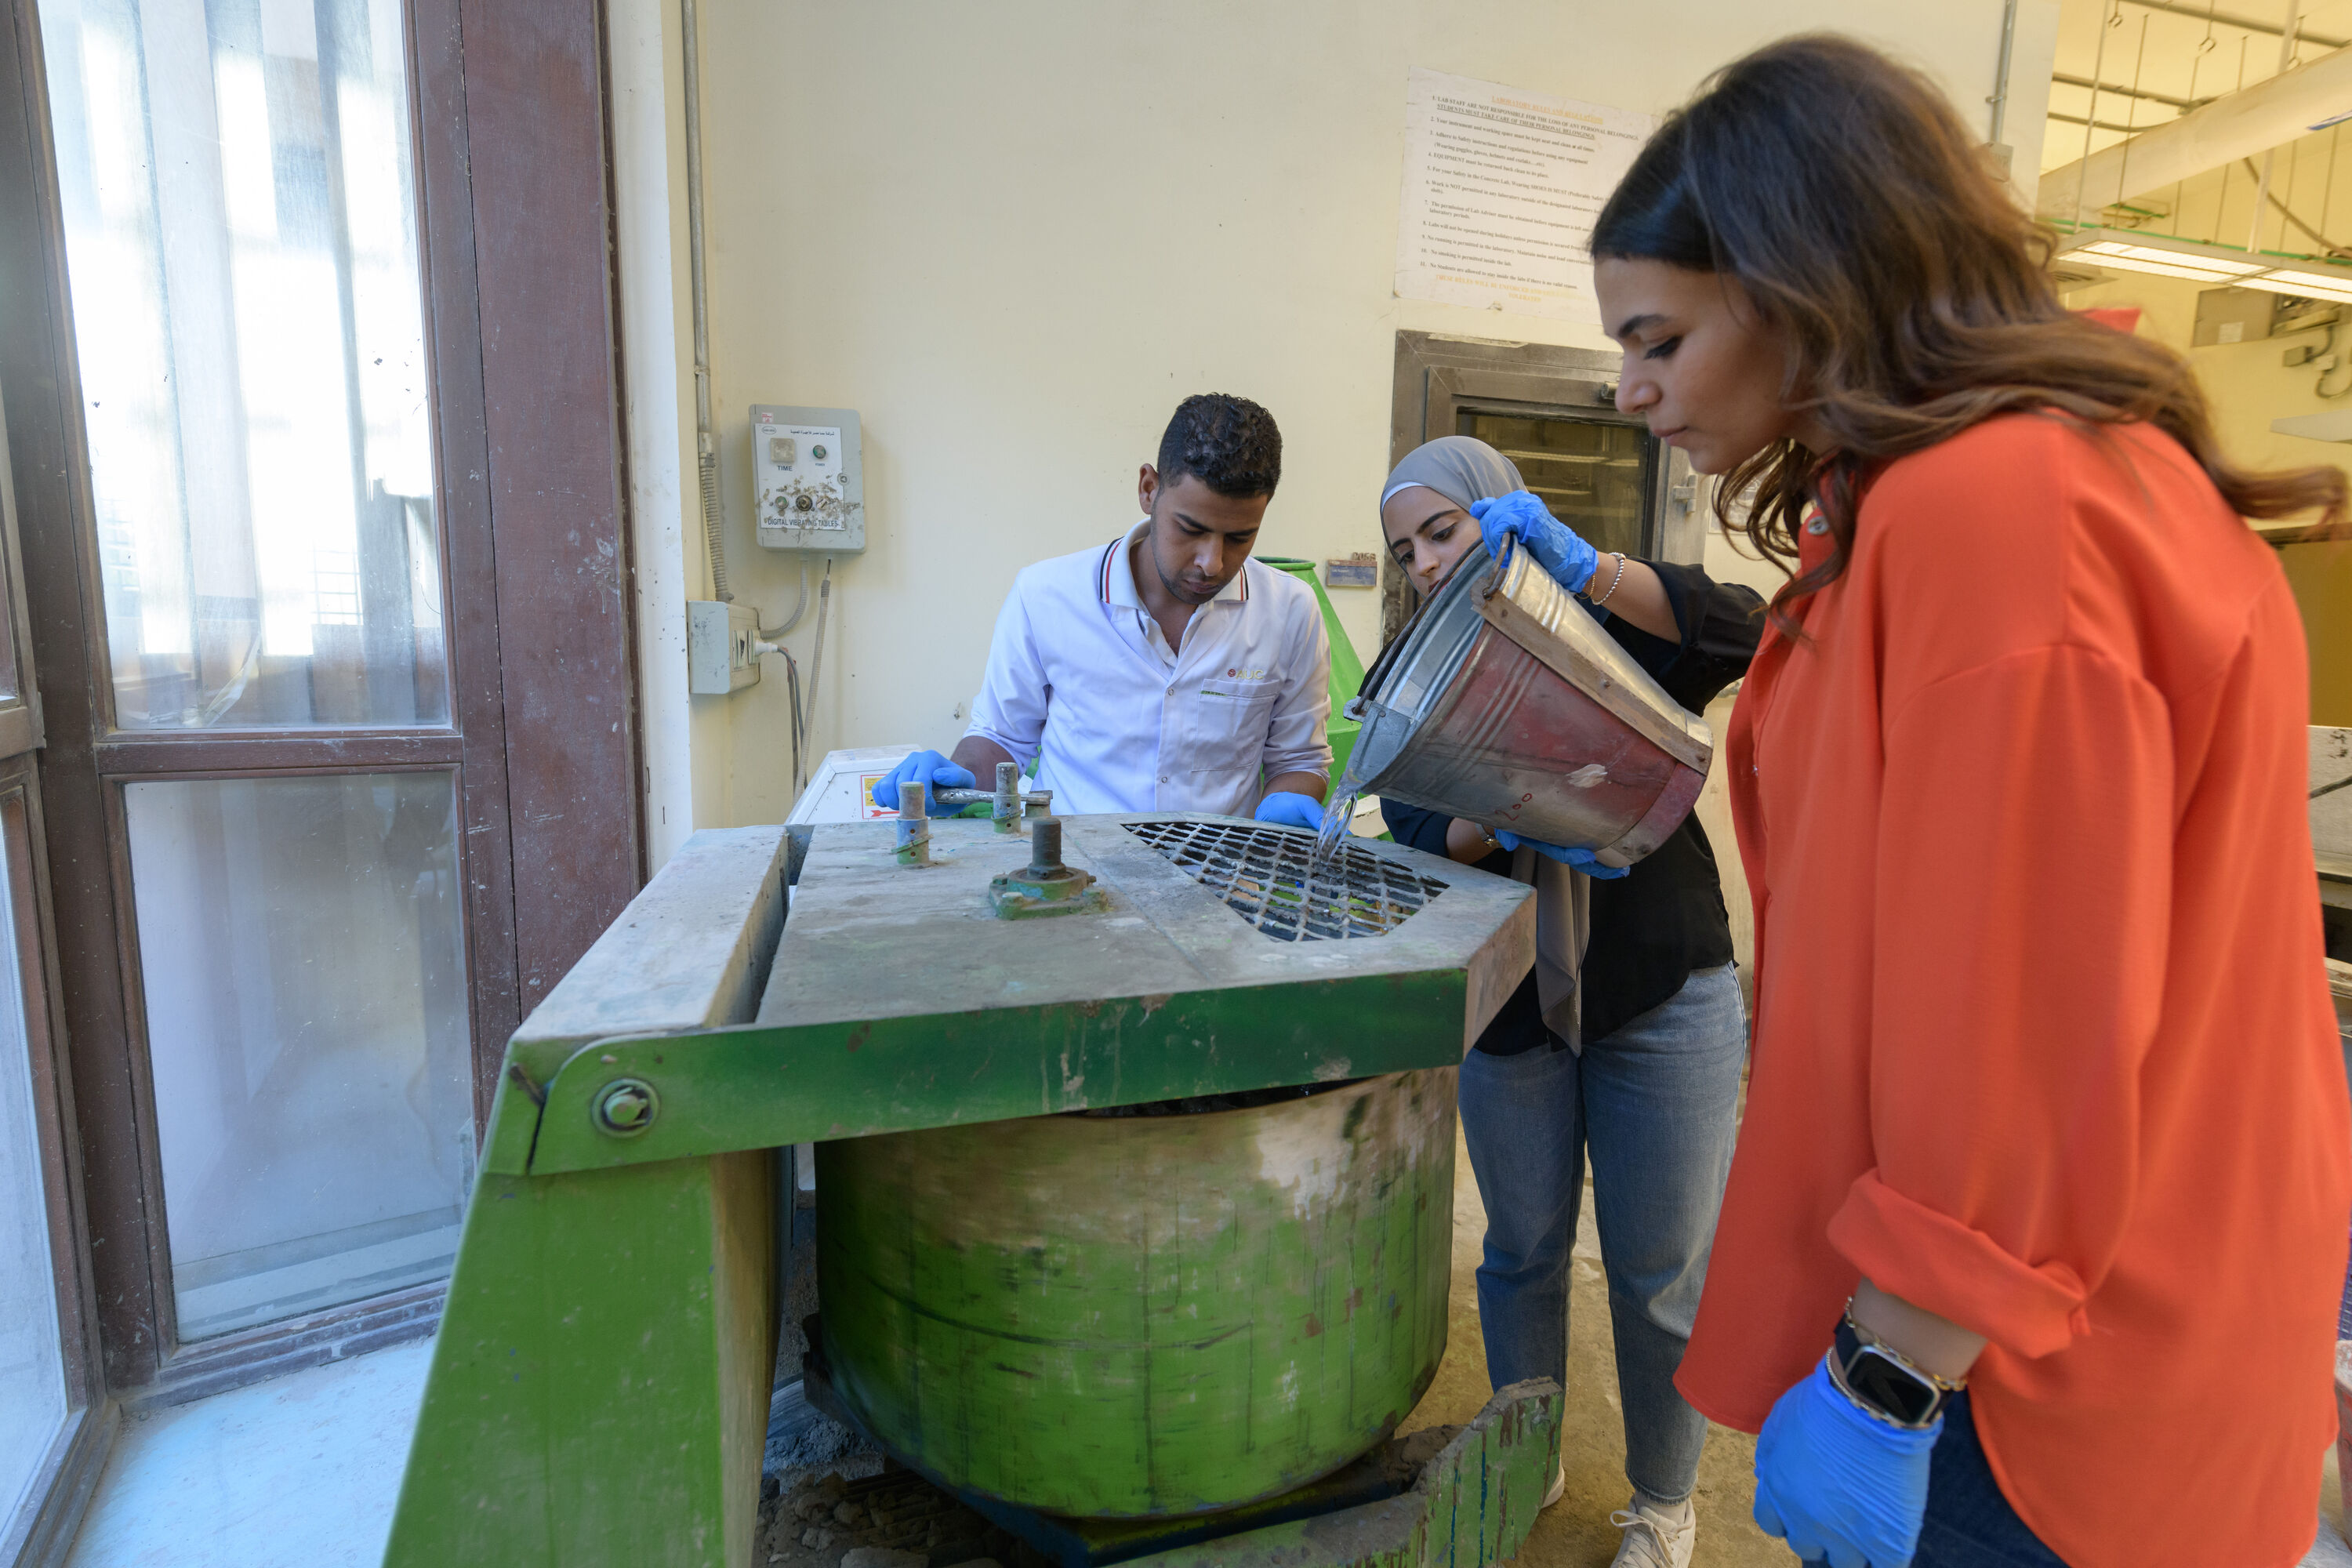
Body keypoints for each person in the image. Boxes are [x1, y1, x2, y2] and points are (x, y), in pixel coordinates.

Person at [1585, 34, 2350, 1568]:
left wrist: (1888, 1371)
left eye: (1659, 338)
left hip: (2034, 1380)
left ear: (1797, 281)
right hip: (2089, 1309)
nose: (1631, 391)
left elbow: (2021, 1007)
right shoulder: (2006, 486)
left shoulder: (2000, 510)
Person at [1376, 435, 1762, 1568]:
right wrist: (1502, 808)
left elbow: (1741, 628)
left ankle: (1663, 1503)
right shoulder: (1414, 672)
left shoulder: (1605, 624)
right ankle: (1526, 1453)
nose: (1429, 564)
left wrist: (1584, 569)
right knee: (1522, 1251)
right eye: (1408, 551)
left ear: (1500, 514)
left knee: (1657, 1273)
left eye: (1444, 531)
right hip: (1510, 1004)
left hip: (1664, 992)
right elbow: (1408, 827)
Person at [875, 393, 1332, 825]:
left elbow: (1298, 759)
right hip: (1072, 876)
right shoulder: (1047, 596)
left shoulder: (1290, 611)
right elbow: (1002, 738)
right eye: (1191, 529)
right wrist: (956, 780)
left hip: (1222, 877)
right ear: (1149, 489)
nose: (1212, 562)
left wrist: (1285, 802)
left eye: (1240, 538)